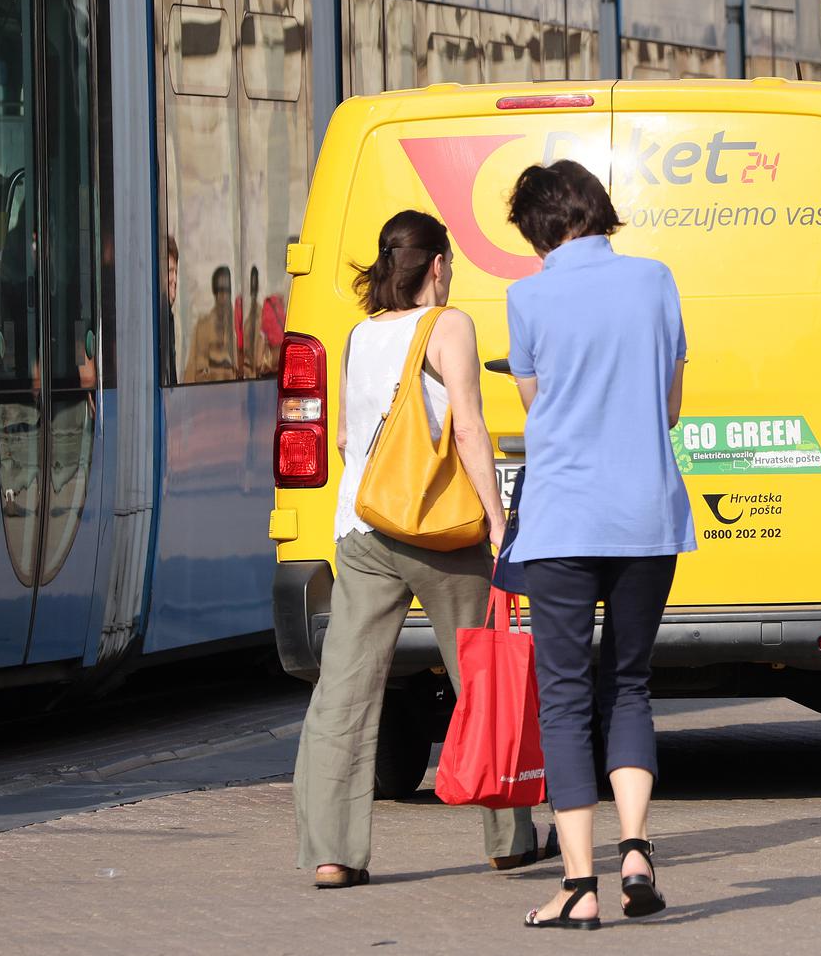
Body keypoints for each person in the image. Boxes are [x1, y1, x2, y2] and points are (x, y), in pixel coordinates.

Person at [293, 210, 555, 888]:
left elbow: (349, 440)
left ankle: (332, 853)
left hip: (365, 530)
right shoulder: (449, 326)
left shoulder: (357, 336)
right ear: (437, 264)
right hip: (443, 537)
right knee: (483, 681)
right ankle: (509, 838)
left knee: (345, 693)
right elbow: (468, 428)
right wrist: (498, 522)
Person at [505, 160, 694, 930]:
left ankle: (579, 884)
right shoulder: (654, 281)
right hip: (647, 515)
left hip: (563, 520)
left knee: (564, 694)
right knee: (629, 681)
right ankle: (638, 851)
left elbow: (534, 407)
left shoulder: (526, 297)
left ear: (542, 226)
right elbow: (673, 405)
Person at [182, 264, 238, 383]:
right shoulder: (203, 327)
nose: (223, 296)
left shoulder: (233, 328)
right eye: (220, 290)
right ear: (215, 293)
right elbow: (193, 371)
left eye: (227, 290)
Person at [165, 236, 180, 384]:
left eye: (176, 271)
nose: (174, 279)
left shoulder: (167, 315)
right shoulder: (158, 319)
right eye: (170, 271)